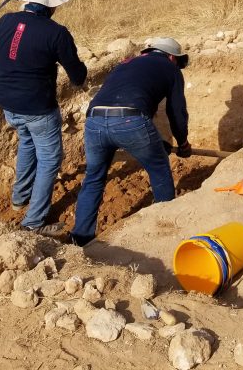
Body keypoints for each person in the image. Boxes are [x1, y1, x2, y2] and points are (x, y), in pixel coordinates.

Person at [70, 37, 192, 246]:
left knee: (94, 178)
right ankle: (163, 230)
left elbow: (126, 97)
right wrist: (183, 144)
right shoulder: (170, 69)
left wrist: (155, 142)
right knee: (160, 168)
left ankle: (80, 239)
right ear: (172, 57)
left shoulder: (126, 64)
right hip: (130, 120)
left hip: (94, 120)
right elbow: (177, 112)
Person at [0, 0, 87, 235]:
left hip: (7, 102)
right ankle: (34, 222)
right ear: (50, 6)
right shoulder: (56, 33)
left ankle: (19, 199)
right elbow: (76, 74)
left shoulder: (6, 21)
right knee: (49, 159)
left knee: (27, 143)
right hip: (38, 107)